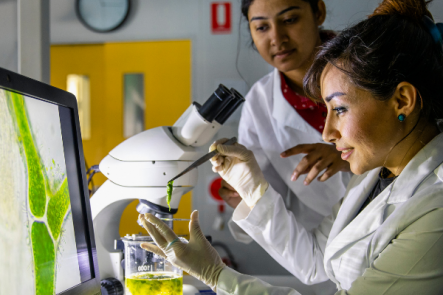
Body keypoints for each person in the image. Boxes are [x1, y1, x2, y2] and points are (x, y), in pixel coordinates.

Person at [139, 0, 443, 293]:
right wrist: (253, 189)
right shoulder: (372, 178)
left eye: (338, 110)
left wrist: (218, 276)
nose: (326, 134)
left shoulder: (432, 208)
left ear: (402, 100)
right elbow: (316, 260)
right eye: (261, 27)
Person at [224, 0, 351, 257]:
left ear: (319, 12)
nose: (277, 38)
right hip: (325, 249)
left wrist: (349, 157)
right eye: (261, 27)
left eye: (290, 20)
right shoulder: (259, 104)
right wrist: (244, 195)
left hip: (401, 221)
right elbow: (271, 196)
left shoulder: (369, 65)